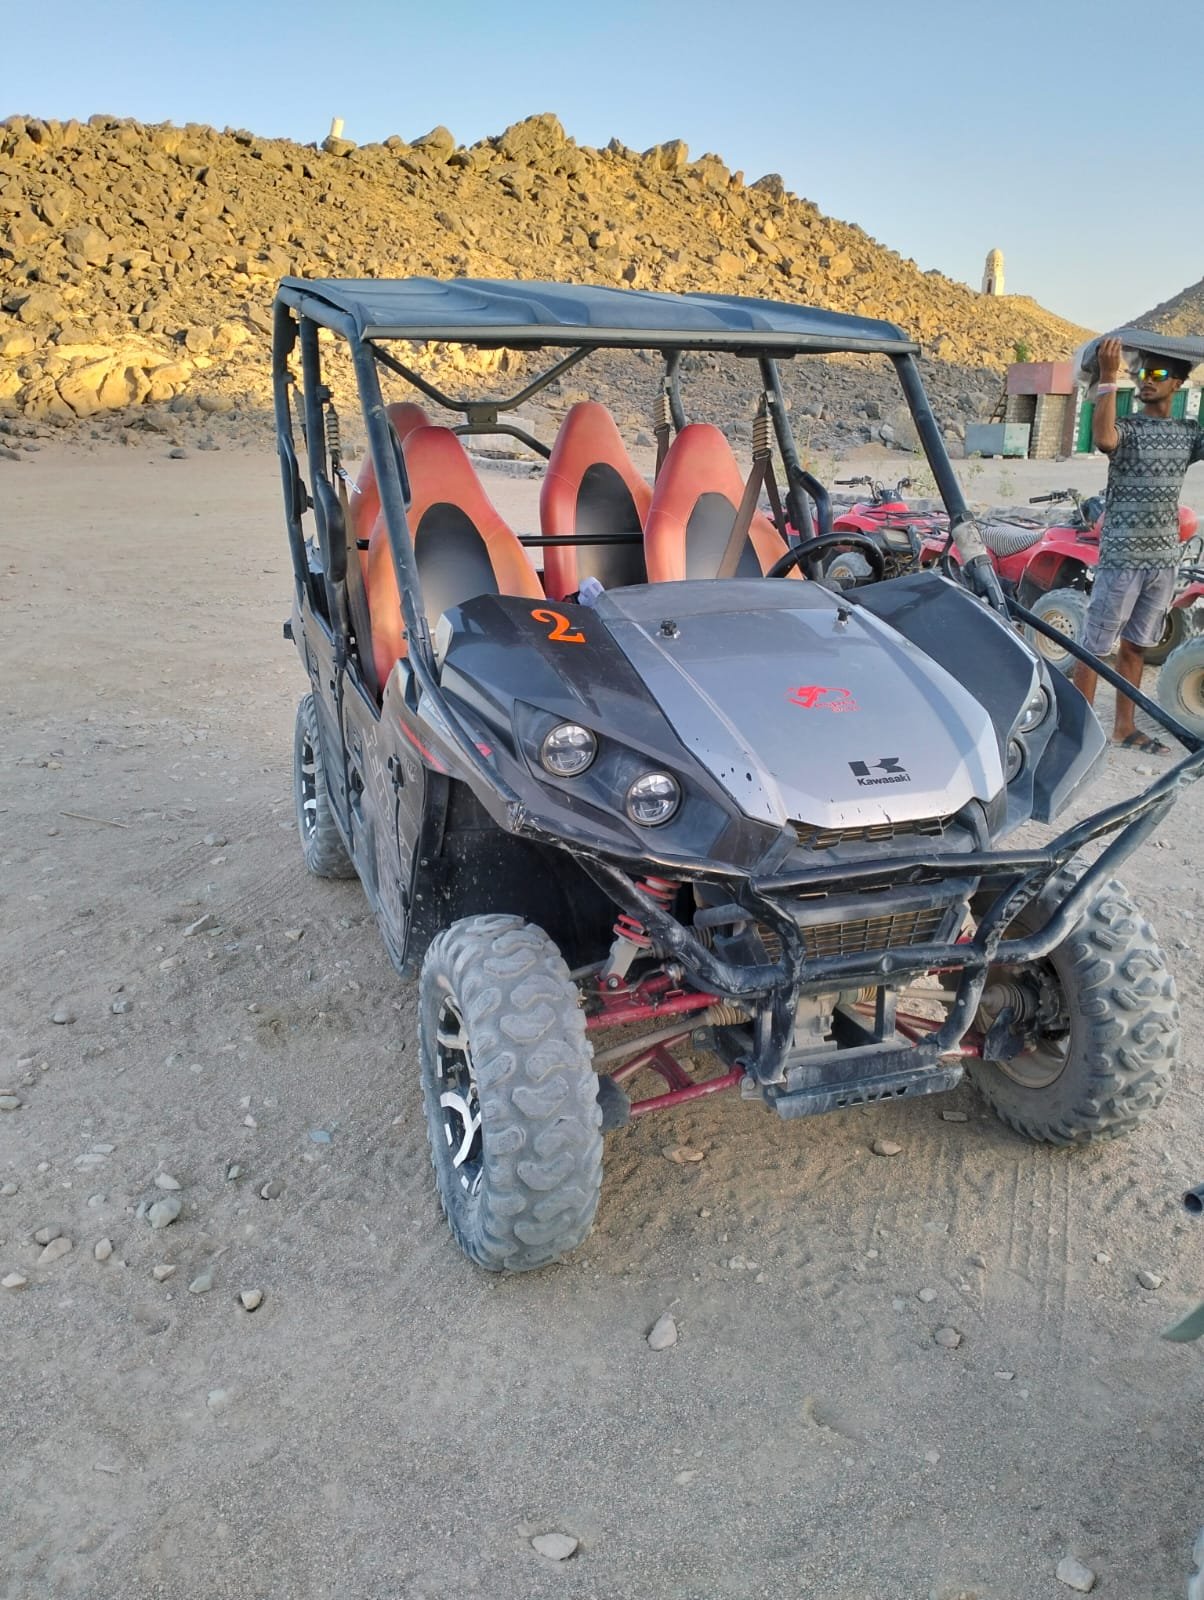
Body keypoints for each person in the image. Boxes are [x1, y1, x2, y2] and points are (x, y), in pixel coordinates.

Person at [1072, 337, 1204, 752]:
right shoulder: (1127, 427)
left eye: (1158, 374)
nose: (1146, 380)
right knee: (1095, 647)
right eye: (1142, 373)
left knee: (1137, 646)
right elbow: (1104, 439)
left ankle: (1124, 728)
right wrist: (1109, 376)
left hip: (1164, 559)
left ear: (1179, 383)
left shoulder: (1187, 433)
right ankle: (1079, 731)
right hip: (1123, 557)